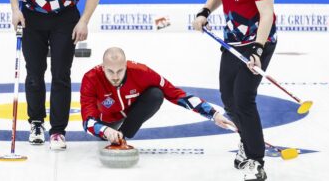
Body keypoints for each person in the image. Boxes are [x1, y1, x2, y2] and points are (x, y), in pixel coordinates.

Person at [5, 0, 102, 150]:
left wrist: (84, 21)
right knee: (35, 73)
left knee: (61, 74)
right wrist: (15, 9)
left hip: (66, 18)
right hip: (33, 18)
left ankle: (58, 131)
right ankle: (36, 122)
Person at [192, 0, 277, 181]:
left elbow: (266, 15)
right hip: (232, 42)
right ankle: (246, 140)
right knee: (227, 98)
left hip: (258, 44)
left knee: (244, 99)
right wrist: (206, 10)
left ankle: (256, 161)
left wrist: (258, 50)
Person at [80, 47, 235, 145]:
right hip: (105, 121)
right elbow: (87, 121)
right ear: (103, 67)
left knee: (156, 94)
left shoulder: (142, 72)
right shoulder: (90, 78)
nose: (115, 77)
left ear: (126, 65)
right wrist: (105, 130)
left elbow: (176, 94)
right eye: (110, 71)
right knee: (103, 131)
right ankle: (113, 133)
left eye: (120, 71)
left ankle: (122, 137)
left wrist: (213, 114)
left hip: (128, 114)